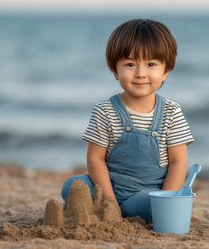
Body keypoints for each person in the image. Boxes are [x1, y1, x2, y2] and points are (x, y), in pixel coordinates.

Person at [61, 19, 194, 223]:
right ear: (115, 71)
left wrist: (166, 202)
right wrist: (110, 202)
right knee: (73, 185)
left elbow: (178, 162)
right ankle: (101, 210)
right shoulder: (104, 111)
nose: (140, 73)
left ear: (165, 71)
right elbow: (95, 159)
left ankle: (131, 210)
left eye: (151, 64)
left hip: (146, 195)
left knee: (148, 202)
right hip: (108, 189)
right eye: (130, 64)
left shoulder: (171, 112)